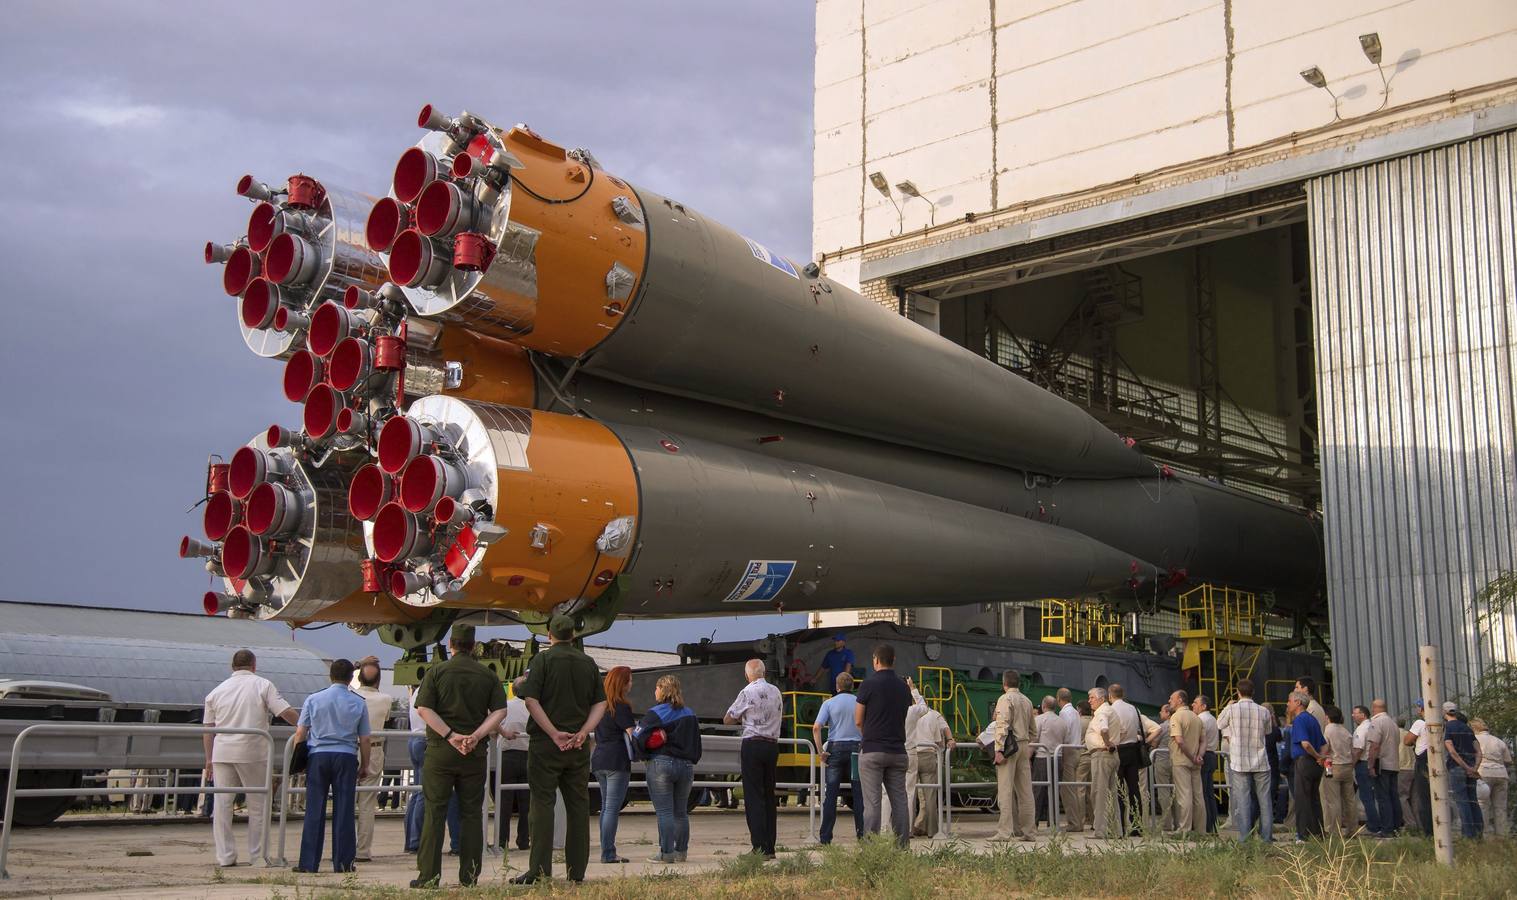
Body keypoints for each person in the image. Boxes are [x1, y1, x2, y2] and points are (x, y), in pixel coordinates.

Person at [412, 625, 509, 889]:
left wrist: (449, 735)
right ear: (474, 645)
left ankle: (428, 876)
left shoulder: (437, 672)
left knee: (435, 812)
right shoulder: (488, 675)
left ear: (451, 645)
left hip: (441, 752)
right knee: (471, 815)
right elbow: (500, 712)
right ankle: (470, 876)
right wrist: (476, 736)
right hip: (474, 754)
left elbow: (423, 709)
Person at [513, 615, 605, 885]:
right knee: (578, 806)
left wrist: (553, 733)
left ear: (549, 635)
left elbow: (530, 700)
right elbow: (600, 704)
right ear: (573, 636)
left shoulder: (541, 661)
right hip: (577, 746)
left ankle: (539, 871)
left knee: (542, 805)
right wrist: (583, 732)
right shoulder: (587, 663)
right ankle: (576, 872)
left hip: (545, 744)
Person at [202, 649, 299, 868]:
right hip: (252, 752)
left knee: (222, 805)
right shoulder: (263, 685)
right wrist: (304, 727)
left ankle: (225, 856)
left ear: (232, 666)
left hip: (222, 752)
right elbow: (284, 711)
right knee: (258, 805)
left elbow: (208, 729)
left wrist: (208, 759)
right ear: (254, 665)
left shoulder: (216, 692)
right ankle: (258, 856)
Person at [292, 658, 371, 874]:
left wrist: (298, 760)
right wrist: (365, 765)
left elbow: (301, 733)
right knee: (344, 810)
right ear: (350, 678)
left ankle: (308, 863)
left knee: (314, 810)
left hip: (318, 756)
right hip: (345, 757)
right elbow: (365, 738)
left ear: (330, 675)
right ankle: (344, 863)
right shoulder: (358, 702)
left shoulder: (314, 698)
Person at [636, 675, 702, 863]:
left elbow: (638, 737)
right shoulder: (690, 713)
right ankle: (681, 851)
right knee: (680, 812)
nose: (654, 692)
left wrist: (644, 755)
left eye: (656, 688)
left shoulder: (655, 713)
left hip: (662, 765)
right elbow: (697, 742)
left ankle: (666, 853)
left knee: (664, 812)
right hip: (686, 766)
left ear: (662, 690)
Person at [853, 643, 913, 848]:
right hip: (898, 751)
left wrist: (869, 736)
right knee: (900, 801)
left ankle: (871, 849)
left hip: (872, 751)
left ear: (875, 660)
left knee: (872, 803)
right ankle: (902, 847)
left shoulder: (868, 685)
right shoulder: (904, 688)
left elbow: (858, 720)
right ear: (893, 661)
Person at [724, 658, 783, 859]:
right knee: (768, 796)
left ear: (748, 674)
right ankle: (770, 847)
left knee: (753, 796)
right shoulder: (776, 692)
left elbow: (728, 717)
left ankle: (758, 847)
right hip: (772, 745)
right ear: (764, 672)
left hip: (753, 744)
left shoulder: (747, 692)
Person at [1216, 678, 1274, 842]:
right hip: (1261, 761)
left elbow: (1219, 724)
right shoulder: (1263, 711)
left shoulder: (1232, 709)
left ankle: (1244, 839)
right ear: (1253, 692)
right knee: (1265, 801)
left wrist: (1228, 706)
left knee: (1243, 802)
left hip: (1239, 762)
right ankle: (1267, 838)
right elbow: (1268, 731)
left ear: (1238, 692)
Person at [404, 684, 459, 854]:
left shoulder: (418, 691)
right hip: (427, 740)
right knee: (429, 793)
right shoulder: (434, 689)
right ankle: (419, 841)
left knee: (418, 791)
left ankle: (412, 840)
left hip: (414, 739)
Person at [591, 666, 637, 864]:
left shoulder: (601, 705)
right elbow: (631, 733)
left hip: (599, 759)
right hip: (617, 760)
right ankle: (608, 852)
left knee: (605, 807)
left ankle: (606, 849)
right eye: (629, 680)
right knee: (611, 809)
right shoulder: (621, 706)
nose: (631, 684)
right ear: (622, 683)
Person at [813, 671, 864, 844]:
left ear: (837, 686)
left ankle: (825, 837)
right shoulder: (859, 702)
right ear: (853, 686)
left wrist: (821, 752)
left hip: (835, 748)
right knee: (858, 795)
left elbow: (816, 728)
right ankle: (862, 836)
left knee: (831, 796)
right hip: (856, 749)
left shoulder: (829, 703)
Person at [350, 657, 391, 863]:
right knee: (367, 804)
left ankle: (344, 846)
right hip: (374, 750)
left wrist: (358, 665)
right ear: (378, 681)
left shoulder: (351, 695)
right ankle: (363, 850)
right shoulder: (386, 699)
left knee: (346, 800)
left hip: (350, 747)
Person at [989, 669, 1036, 842]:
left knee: (1005, 790)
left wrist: (999, 750)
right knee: (1025, 791)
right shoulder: (1027, 701)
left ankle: (1004, 832)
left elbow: (1002, 724)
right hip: (1024, 745)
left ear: (1004, 683)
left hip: (1009, 748)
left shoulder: (1005, 699)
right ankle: (1029, 831)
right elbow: (1033, 730)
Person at [1107, 683, 1151, 837]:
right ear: (1122, 694)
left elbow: (1115, 731)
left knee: (1118, 789)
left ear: (1110, 695)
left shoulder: (1111, 710)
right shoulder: (1134, 709)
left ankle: (1120, 827)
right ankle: (1136, 825)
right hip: (1133, 751)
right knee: (1134, 789)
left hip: (1119, 750)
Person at [493, 679, 531, 852]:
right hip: (528, 757)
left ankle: (501, 841)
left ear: (513, 690)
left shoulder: (505, 707)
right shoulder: (533, 709)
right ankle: (524, 840)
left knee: (504, 802)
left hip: (506, 757)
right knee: (527, 803)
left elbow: (494, 730)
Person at [910, 696, 953, 836]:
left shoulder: (906, 712)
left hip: (911, 754)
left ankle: (908, 830)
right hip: (928, 755)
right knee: (930, 796)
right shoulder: (933, 715)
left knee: (909, 794)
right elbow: (938, 741)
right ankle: (932, 830)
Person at [1287, 692, 1326, 841]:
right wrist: (1321, 758)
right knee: (1314, 798)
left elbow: (1305, 744)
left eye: (1289, 701)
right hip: (1315, 765)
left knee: (1302, 798)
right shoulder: (1313, 720)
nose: (1288, 704)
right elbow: (1324, 744)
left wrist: (1316, 756)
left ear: (1298, 702)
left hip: (1304, 761)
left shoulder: (1299, 720)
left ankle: (1303, 835)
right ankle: (1318, 833)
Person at [1442, 702, 1484, 839]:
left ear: (1444, 712)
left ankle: (1468, 835)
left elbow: (1452, 751)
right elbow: (1478, 751)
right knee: (1473, 800)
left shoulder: (1448, 727)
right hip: (1471, 768)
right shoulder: (1467, 728)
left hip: (1457, 768)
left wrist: (1465, 767)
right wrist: (1474, 768)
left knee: (1462, 801)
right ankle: (1479, 833)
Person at [1168, 690, 1205, 836]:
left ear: (1180, 701)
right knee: (1198, 796)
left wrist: (1191, 756)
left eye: (1172, 698)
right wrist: (1198, 756)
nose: (1170, 701)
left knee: (1184, 796)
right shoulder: (1197, 718)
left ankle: (1184, 830)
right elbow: (1204, 741)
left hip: (1181, 760)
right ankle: (1201, 830)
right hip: (1196, 762)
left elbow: (1179, 740)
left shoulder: (1176, 717)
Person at [1085, 687, 1119, 837]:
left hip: (1102, 755)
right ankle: (1114, 829)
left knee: (1099, 792)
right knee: (1111, 793)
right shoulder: (1111, 711)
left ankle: (1100, 830)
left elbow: (1104, 729)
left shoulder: (1102, 712)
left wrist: (1107, 742)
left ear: (1101, 699)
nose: (1089, 701)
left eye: (1091, 697)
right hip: (1110, 756)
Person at [1319, 705, 1356, 837]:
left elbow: (1325, 748)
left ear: (1327, 717)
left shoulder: (1328, 730)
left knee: (1333, 800)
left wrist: (1320, 758)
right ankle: (1352, 830)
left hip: (1332, 766)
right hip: (1347, 766)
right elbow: (1353, 750)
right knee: (1349, 800)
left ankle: (1335, 831)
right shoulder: (1345, 731)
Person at [1350, 705, 1386, 837]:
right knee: (1375, 794)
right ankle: (1380, 822)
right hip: (1373, 763)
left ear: (1363, 715)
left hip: (1363, 763)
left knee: (1366, 796)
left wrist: (1352, 764)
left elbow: (1358, 749)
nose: (1353, 716)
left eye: (1355, 713)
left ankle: (1373, 825)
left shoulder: (1361, 729)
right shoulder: (1372, 726)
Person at [1472, 719, 1511, 837]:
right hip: (1501, 775)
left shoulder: (1475, 739)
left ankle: (1485, 834)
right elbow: (1508, 760)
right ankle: (1502, 836)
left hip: (1483, 773)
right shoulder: (1498, 741)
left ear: (1474, 728)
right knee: (1500, 807)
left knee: (1483, 805)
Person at [1056, 689, 1085, 832]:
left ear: (1058, 699)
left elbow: (1064, 734)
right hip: (1077, 750)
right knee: (1073, 788)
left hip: (1068, 752)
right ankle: (1077, 821)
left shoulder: (1064, 713)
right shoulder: (1074, 712)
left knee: (1068, 790)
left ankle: (1074, 823)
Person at [1404, 698, 1433, 835]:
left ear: (1421, 709)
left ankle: (1428, 831)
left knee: (1424, 797)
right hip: (1435, 760)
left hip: (1422, 761)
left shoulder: (1420, 723)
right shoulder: (1439, 724)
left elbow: (1407, 740)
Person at [1032, 696, 1061, 829]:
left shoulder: (1039, 719)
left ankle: (1034, 821)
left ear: (1043, 706)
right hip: (1058, 757)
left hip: (1042, 758)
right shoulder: (1062, 721)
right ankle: (1053, 822)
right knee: (1054, 790)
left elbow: (1034, 739)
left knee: (1038, 790)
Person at [1192, 694, 1220, 834]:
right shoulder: (1213, 719)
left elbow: (1197, 739)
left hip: (1203, 755)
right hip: (1212, 755)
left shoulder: (1201, 719)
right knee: (1209, 793)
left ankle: (1205, 825)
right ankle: (1213, 824)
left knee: (1201, 792)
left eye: (1196, 703)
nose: (1193, 705)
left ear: (1203, 706)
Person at [1151, 704, 1176, 832]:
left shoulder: (1162, 727)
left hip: (1162, 760)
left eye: (1161, 711)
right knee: (1176, 792)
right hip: (1176, 760)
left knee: (1163, 792)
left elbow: (1154, 743)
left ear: (1167, 713)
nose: (1160, 714)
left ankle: (1166, 823)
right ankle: (1178, 822)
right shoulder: (1178, 724)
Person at [1076, 700, 1095, 830]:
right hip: (1093, 757)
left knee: (1080, 789)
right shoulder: (1094, 721)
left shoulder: (1079, 722)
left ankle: (1080, 820)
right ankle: (1094, 820)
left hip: (1082, 757)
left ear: (1080, 710)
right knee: (1092, 790)